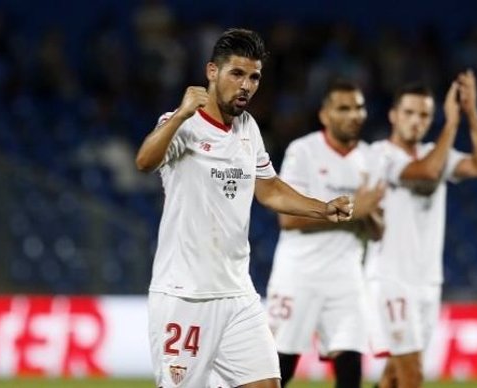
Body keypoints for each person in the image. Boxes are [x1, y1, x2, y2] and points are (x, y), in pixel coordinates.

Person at [135, 28, 354, 388]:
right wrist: (178, 116)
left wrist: (322, 208)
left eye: (254, 77)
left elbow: (268, 189)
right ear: (212, 72)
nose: (247, 85)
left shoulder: (248, 128)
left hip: (237, 294)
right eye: (237, 73)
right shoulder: (183, 123)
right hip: (185, 295)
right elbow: (144, 160)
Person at [365, 70, 477, 388]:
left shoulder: (432, 152)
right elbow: (427, 173)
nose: (416, 121)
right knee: (413, 375)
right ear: (393, 115)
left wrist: (471, 113)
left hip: (427, 281)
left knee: (395, 374)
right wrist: (451, 123)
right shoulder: (379, 154)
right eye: (409, 112)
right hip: (391, 279)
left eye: (424, 115)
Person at [265, 79, 385, 388]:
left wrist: (373, 215)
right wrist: (355, 210)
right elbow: (288, 220)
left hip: (346, 278)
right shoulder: (303, 151)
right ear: (325, 115)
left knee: (350, 372)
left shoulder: (372, 159)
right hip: (299, 275)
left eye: (358, 107)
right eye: (343, 108)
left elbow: (379, 231)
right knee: (279, 369)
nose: (353, 114)